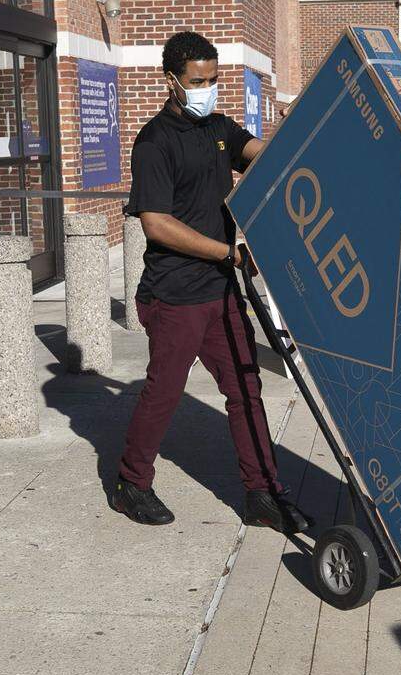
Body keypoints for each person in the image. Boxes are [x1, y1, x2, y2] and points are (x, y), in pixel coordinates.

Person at [110, 31, 309, 534]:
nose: (207, 88)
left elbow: (261, 156)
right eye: (197, 81)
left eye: (213, 79)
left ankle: (263, 492)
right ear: (171, 80)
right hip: (174, 293)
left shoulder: (219, 127)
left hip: (221, 290)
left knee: (246, 387)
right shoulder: (154, 142)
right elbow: (155, 223)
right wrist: (229, 252)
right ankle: (132, 483)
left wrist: (299, 131)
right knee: (165, 392)